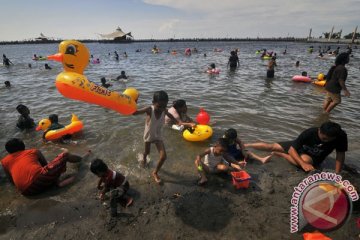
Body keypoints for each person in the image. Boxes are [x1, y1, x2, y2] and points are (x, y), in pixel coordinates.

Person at [133, 90, 191, 183]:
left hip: (158, 136)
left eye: (164, 106)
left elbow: (170, 115)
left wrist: (178, 122)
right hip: (149, 135)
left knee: (163, 156)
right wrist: (134, 102)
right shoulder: (149, 109)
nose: (161, 109)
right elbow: (134, 113)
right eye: (159, 106)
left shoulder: (164, 109)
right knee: (147, 153)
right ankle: (144, 159)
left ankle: (155, 172)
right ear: (153, 103)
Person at [245, 121, 347, 173]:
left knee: (305, 161)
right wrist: (302, 163)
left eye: (328, 140)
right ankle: (245, 145)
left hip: (313, 155)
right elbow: (292, 149)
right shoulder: (311, 132)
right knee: (270, 146)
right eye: (323, 138)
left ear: (334, 137)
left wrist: (338, 173)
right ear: (319, 130)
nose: (324, 141)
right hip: (299, 147)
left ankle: (282, 155)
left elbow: (340, 154)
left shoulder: (341, 136)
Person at [1, 138, 83, 195]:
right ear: (23, 146)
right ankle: (83, 159)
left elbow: (11, 180)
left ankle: (53, 185)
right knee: (65, 155)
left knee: (40, 175)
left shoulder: (4, 161)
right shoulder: (33, 151)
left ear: (8, 151)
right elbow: (45, 165)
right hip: (40, 180)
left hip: (26, 191)